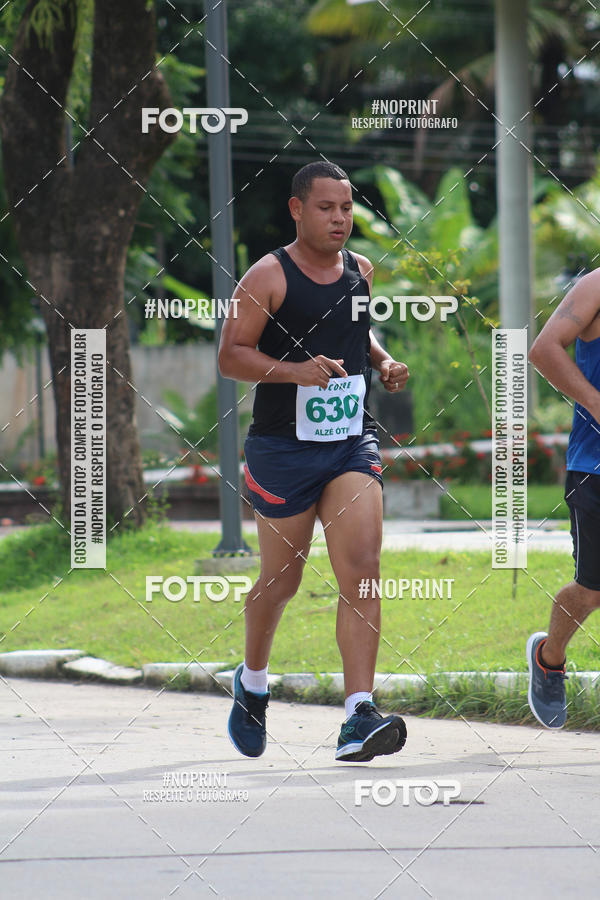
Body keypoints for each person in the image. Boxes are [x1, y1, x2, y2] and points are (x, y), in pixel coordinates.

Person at [218, 160, 409, 761]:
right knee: (283, 580)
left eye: (347, 208)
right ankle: (251, 683)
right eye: (326, 208)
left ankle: (358, 714)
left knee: (362, 564)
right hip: (281, 449)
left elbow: (358, 332)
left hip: (351, 442)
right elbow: (231, 355)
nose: (339, 219)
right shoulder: (266, 276)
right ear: (298, 209)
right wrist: (295, 373)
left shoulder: (361, 271)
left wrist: (380, 362)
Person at [527, 267, 600, 728]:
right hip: (594, 466)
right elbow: (543, 349)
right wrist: (595, 402)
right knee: (591, 589)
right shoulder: (595, 286)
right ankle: (549, 658)